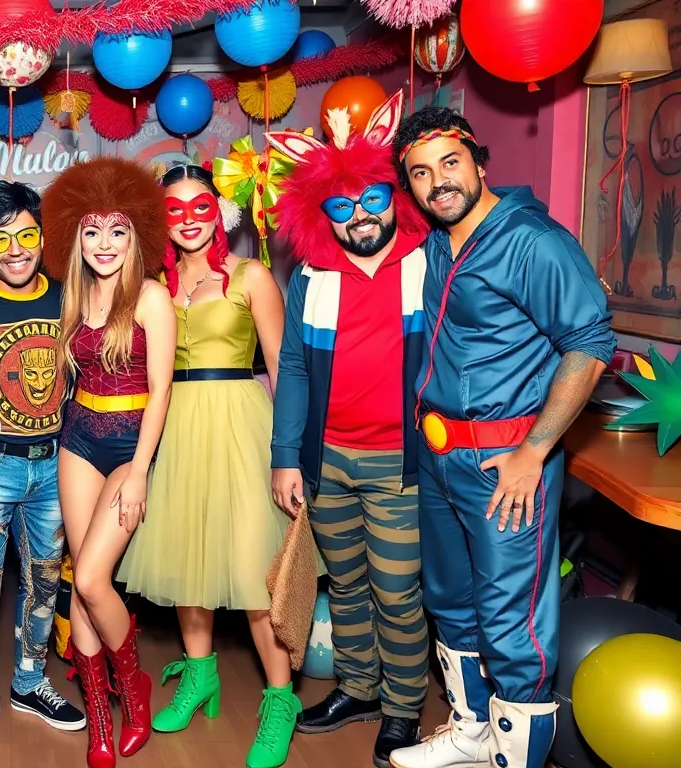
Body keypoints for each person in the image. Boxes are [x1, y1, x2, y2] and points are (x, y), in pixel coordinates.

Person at [388, 109, 616, 768]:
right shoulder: (440, 242)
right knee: (450, 601)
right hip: (439, 455)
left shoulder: (532, 240)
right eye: (420, 173)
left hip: (506, 463)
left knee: (512, 623)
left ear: (479, 162)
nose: (438, 182)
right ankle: (470, 732)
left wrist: (534, 452)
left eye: (450, 163)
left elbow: (590, 344)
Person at [113, 163, 301, 768]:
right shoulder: (149, 285)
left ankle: (280, 700)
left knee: (253, 572)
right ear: (159, 219)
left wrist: (288, 454)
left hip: (242, 426)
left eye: (202, 207)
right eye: (175, 209)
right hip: (174, 426)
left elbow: (284, 368)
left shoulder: (251, 276)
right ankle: (200, 676)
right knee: (185, 560)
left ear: (220, 213)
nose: (189, 219)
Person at [263, 91, 430, 768]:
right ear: (321, 212)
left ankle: (403, 706)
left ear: (395, 196)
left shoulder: (429, 261)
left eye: (372, 199)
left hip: (401, 464)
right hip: (327, 460)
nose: (359, 215)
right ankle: (359, 689)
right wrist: (285, 455)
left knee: (398, 592)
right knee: (347, 585)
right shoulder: (312, 276)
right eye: (341, 206)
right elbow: (293, 367)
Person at [41, 157, 176, 768]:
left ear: (135, 236)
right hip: (79, 440)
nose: (103, 243)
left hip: (129, 445)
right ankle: (99, 718)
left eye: (117, 231)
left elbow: (161, 390)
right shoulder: (74, 295)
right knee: (80, 578)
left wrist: (141, 470)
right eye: (92, 231)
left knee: (95, 580)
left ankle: (134, 692)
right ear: (76, 236)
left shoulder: (150, 296)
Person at [0, 181, 86, 759]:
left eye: (26, 235)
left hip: (57, 468)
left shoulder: (70, 299)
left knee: (45, 587)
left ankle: (30, 683)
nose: (15, 250)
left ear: (42, 236)